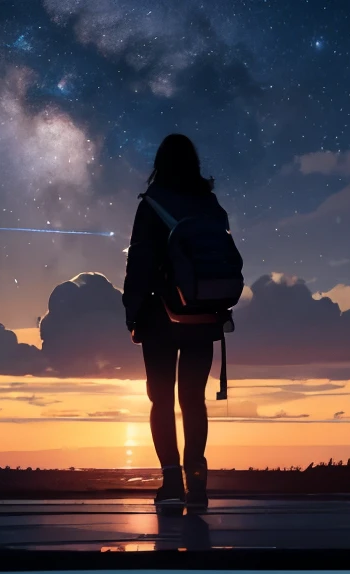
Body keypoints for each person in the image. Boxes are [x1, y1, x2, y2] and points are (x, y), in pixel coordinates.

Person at [122, 135, 233, 512]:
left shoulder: (152, 204)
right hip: (204, 316)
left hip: (158, 315)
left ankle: (171, 482)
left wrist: (131, 312)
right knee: (194, 400)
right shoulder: (210, 205)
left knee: (162, 400)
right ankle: (197, 483)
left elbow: (138, 262)